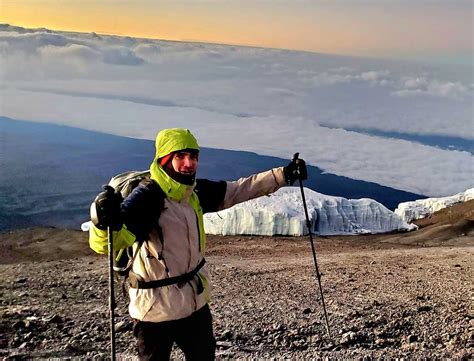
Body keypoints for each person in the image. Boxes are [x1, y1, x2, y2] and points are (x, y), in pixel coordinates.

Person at [89, 128, 307, 360]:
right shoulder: (147, 198)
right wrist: (102, 224)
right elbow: (110, 242)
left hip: (194, 306)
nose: (188, 163)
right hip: (154, 312)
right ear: (164, 160)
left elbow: (239, 190)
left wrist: (283, 175)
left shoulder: (194, 192)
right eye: (180, 157)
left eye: (193, 157)